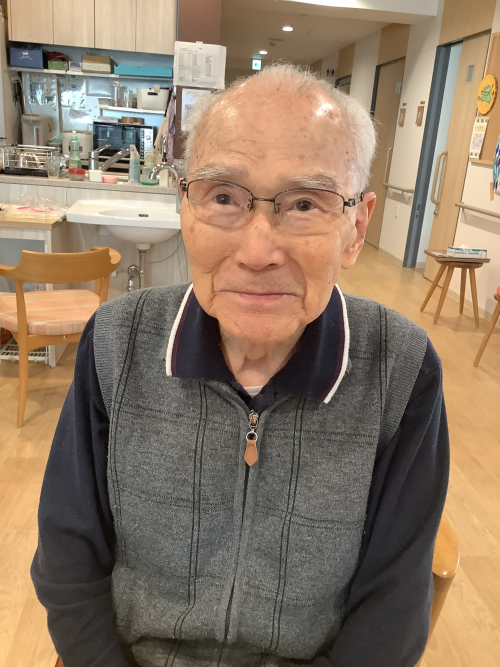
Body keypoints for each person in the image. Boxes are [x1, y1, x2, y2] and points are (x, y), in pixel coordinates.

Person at [32, 64, 449, 667]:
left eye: (304, 203)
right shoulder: (117, 343)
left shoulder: (401, 369)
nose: (257, 252)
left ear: (356, 228)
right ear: (185, 207)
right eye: (224, 197)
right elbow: (68, 555)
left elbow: (393, 610)